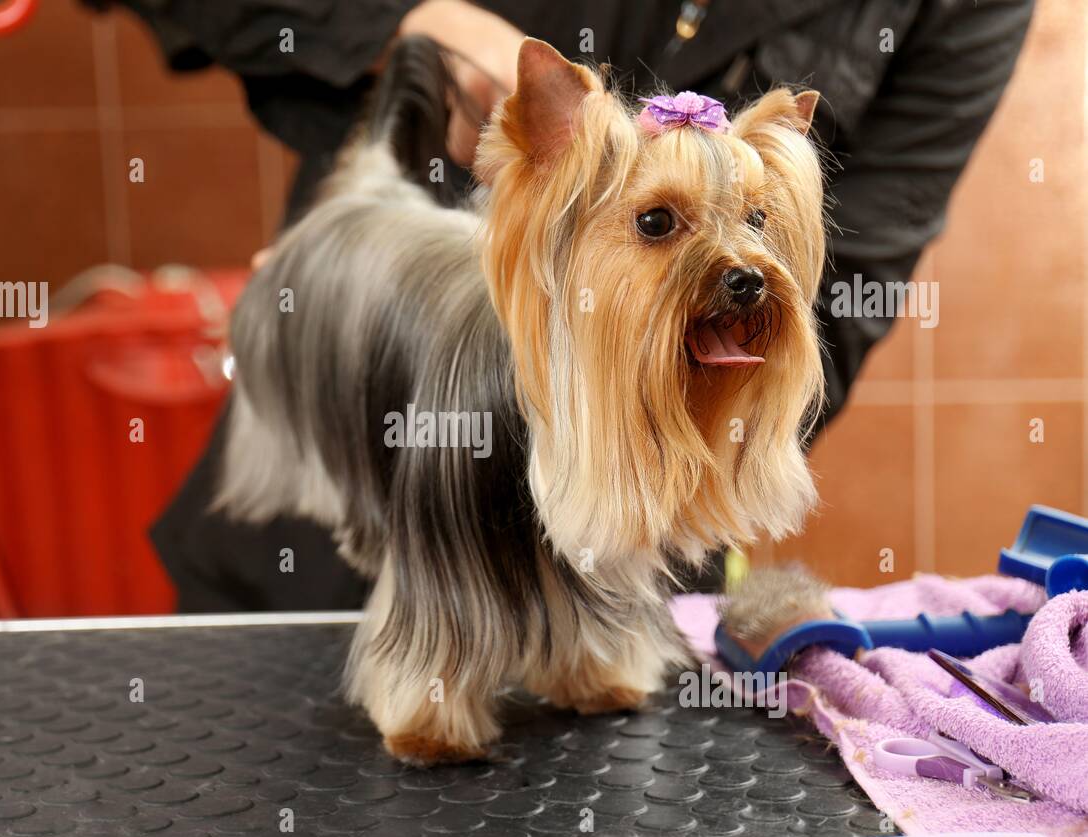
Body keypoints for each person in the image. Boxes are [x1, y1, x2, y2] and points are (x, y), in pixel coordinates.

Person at [83, 0, 1035, 612]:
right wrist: (398, 19)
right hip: (322, 537)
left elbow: (839, 300)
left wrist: (648, 428)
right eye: (661, 224)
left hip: (631, 560)